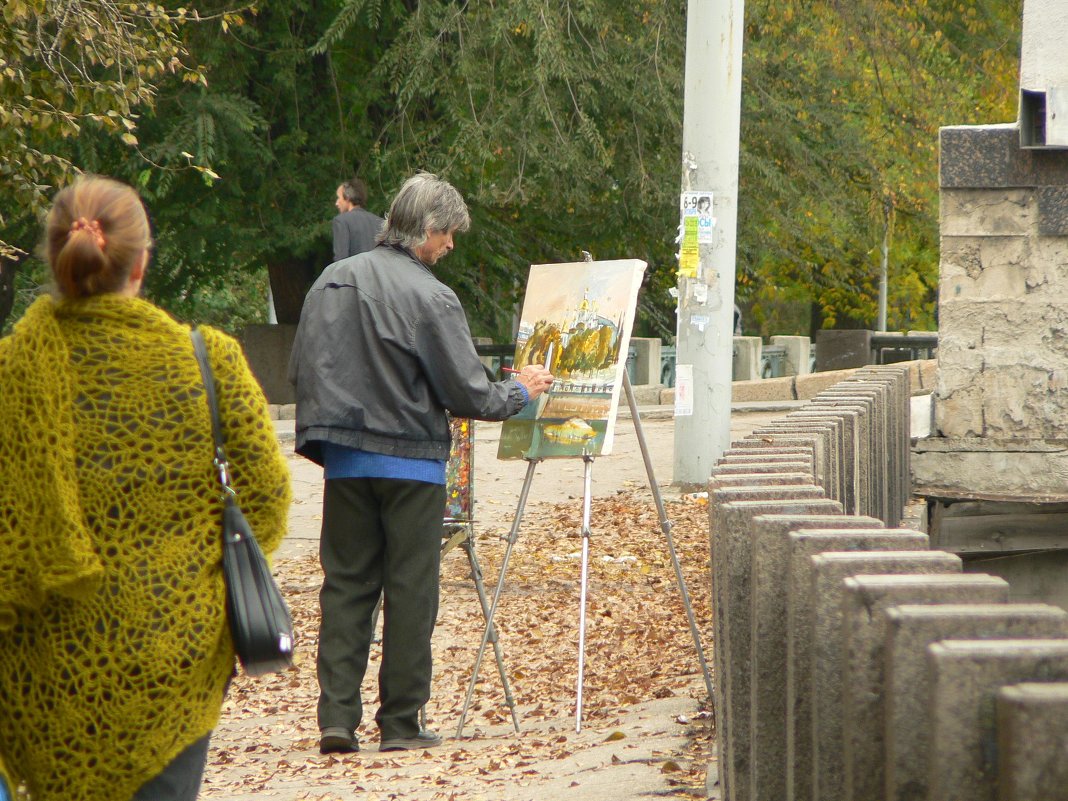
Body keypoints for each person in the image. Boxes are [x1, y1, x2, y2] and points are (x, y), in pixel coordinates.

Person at [0, 176, 291, 801]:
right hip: (175, 655)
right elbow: (265, 501)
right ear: (142, 260)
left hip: (43, 664)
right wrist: (192, 585)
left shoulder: (11, 374)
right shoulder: (207, 360)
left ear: (55, 257)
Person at [290, 172, 553, 754]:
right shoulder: (431, 296)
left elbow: (301, 371)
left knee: (346, 587)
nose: (451, 246)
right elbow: (468, 393)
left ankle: (336, 719)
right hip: (412, 464)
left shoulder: (330, 282)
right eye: (449, 235)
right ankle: (401, 723)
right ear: (428, 229)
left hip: (346, 462)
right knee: (410, 590)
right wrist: (520, 390)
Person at [332, 177, 384, 263]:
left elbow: (341, 261)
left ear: (347, 197)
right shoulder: (380, 222)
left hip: (354, 275)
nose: (336, 203)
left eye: (339, 198)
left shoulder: (341, 221)